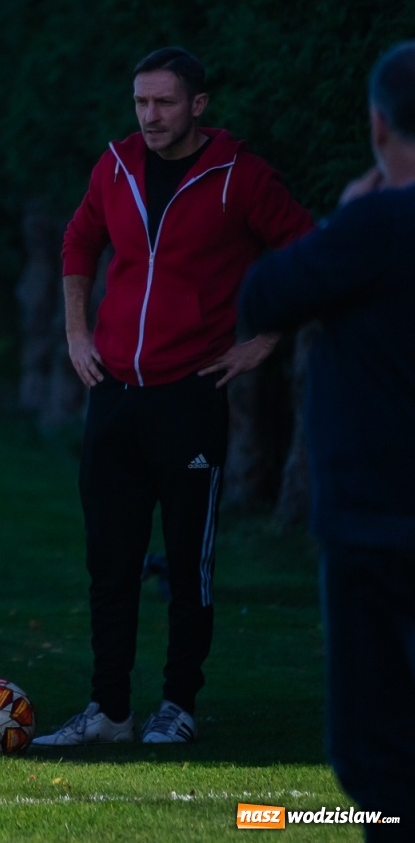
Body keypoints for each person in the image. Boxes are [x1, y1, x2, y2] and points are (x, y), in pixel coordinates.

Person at [35, 48, 314, 747]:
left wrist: (265, 341)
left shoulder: (240, 176)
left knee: (189, 565)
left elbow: (307, 252)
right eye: (141, 102)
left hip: (190, 395)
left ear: (198, 105)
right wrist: (76, 332)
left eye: (163, 102)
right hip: (113, 395)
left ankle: (178, 703)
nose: (150, 117)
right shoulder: (116, 164)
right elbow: (79, 241)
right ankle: (109, 710)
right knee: (110, 562)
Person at [241, 42, 415, 835]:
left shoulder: (374, 226)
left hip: (376, 514)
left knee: (374, 738)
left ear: (379, 125)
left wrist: (346, 215)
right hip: (375, 513)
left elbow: (266, 295)